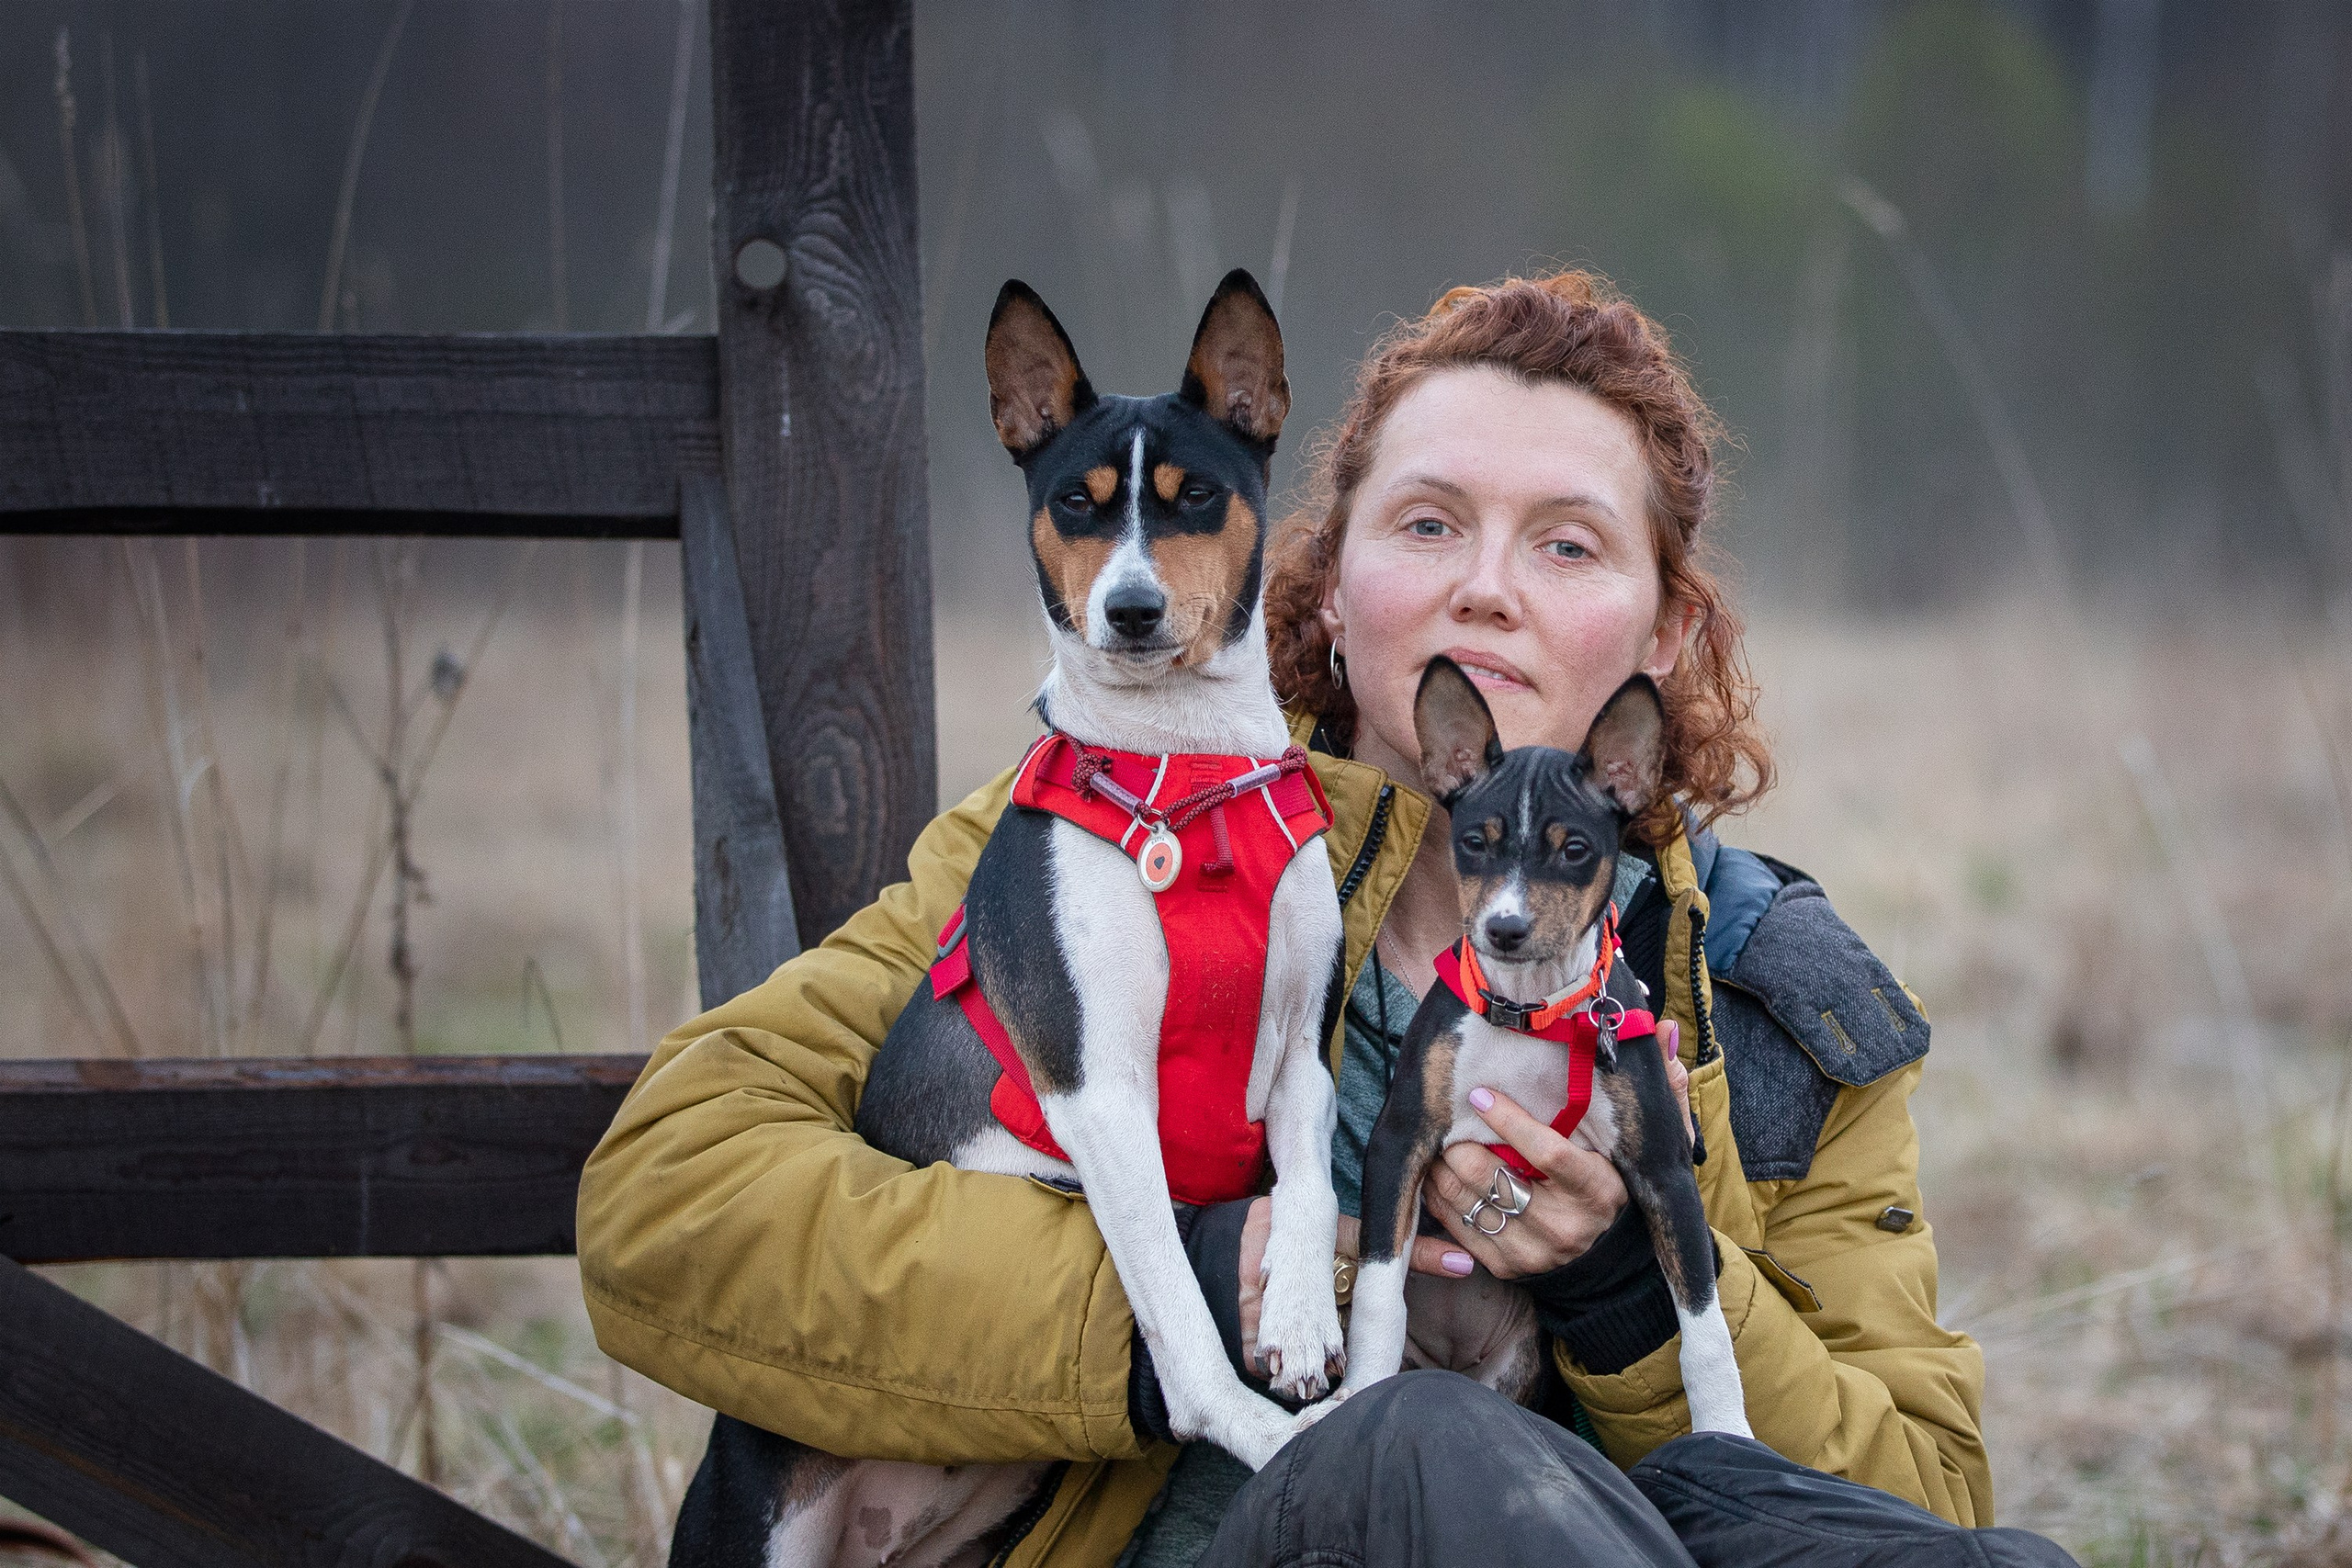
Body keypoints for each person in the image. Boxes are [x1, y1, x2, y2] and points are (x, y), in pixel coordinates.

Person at [577, 270, 2074, 1568]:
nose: (1485, 591)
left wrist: (1626, 1286)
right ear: (1334, 588)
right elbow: (670, 1194)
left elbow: (1920, 1502)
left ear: (1665, 633)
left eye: (1565, 546)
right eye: (1428, 526)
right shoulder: (1082, 843)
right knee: (1421, 1446)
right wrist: (1195, 1280)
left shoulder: (1768, 1001)